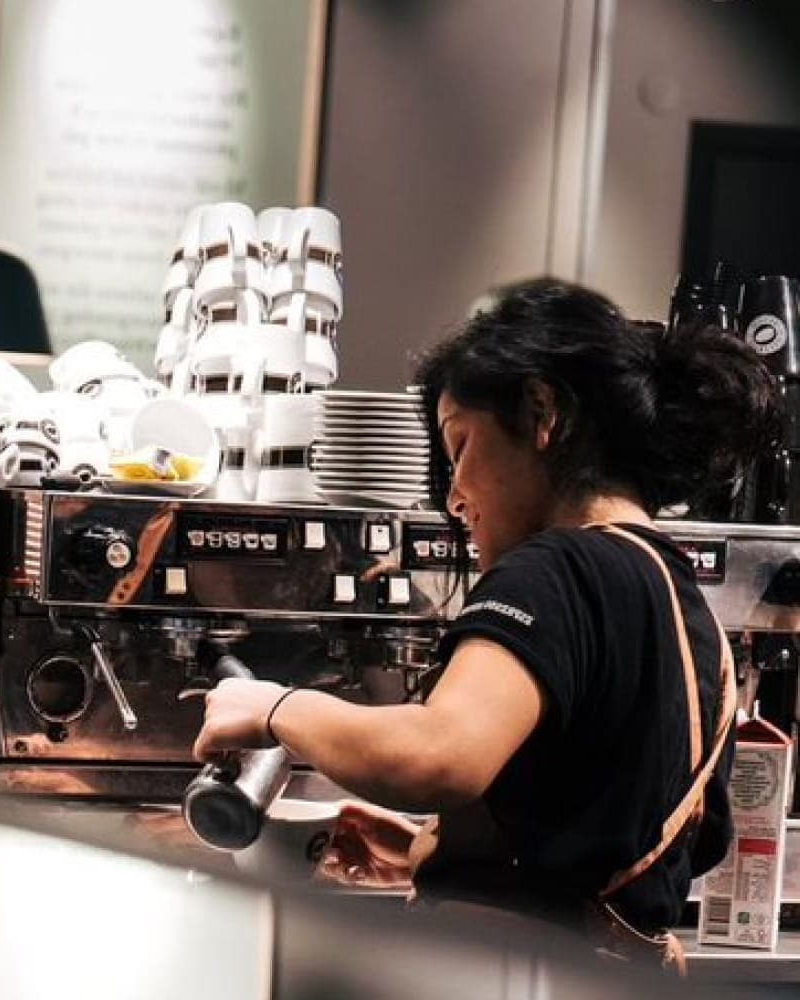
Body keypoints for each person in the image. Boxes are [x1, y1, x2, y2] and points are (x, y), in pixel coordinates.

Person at [193, 278, 780, 969]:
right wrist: (441, 855)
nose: (454, 495)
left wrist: (274, 708)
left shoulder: (556, 567)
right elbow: (627, 837)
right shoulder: (685, 603)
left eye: (461, 446)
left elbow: (438, 756)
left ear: (541, 413)